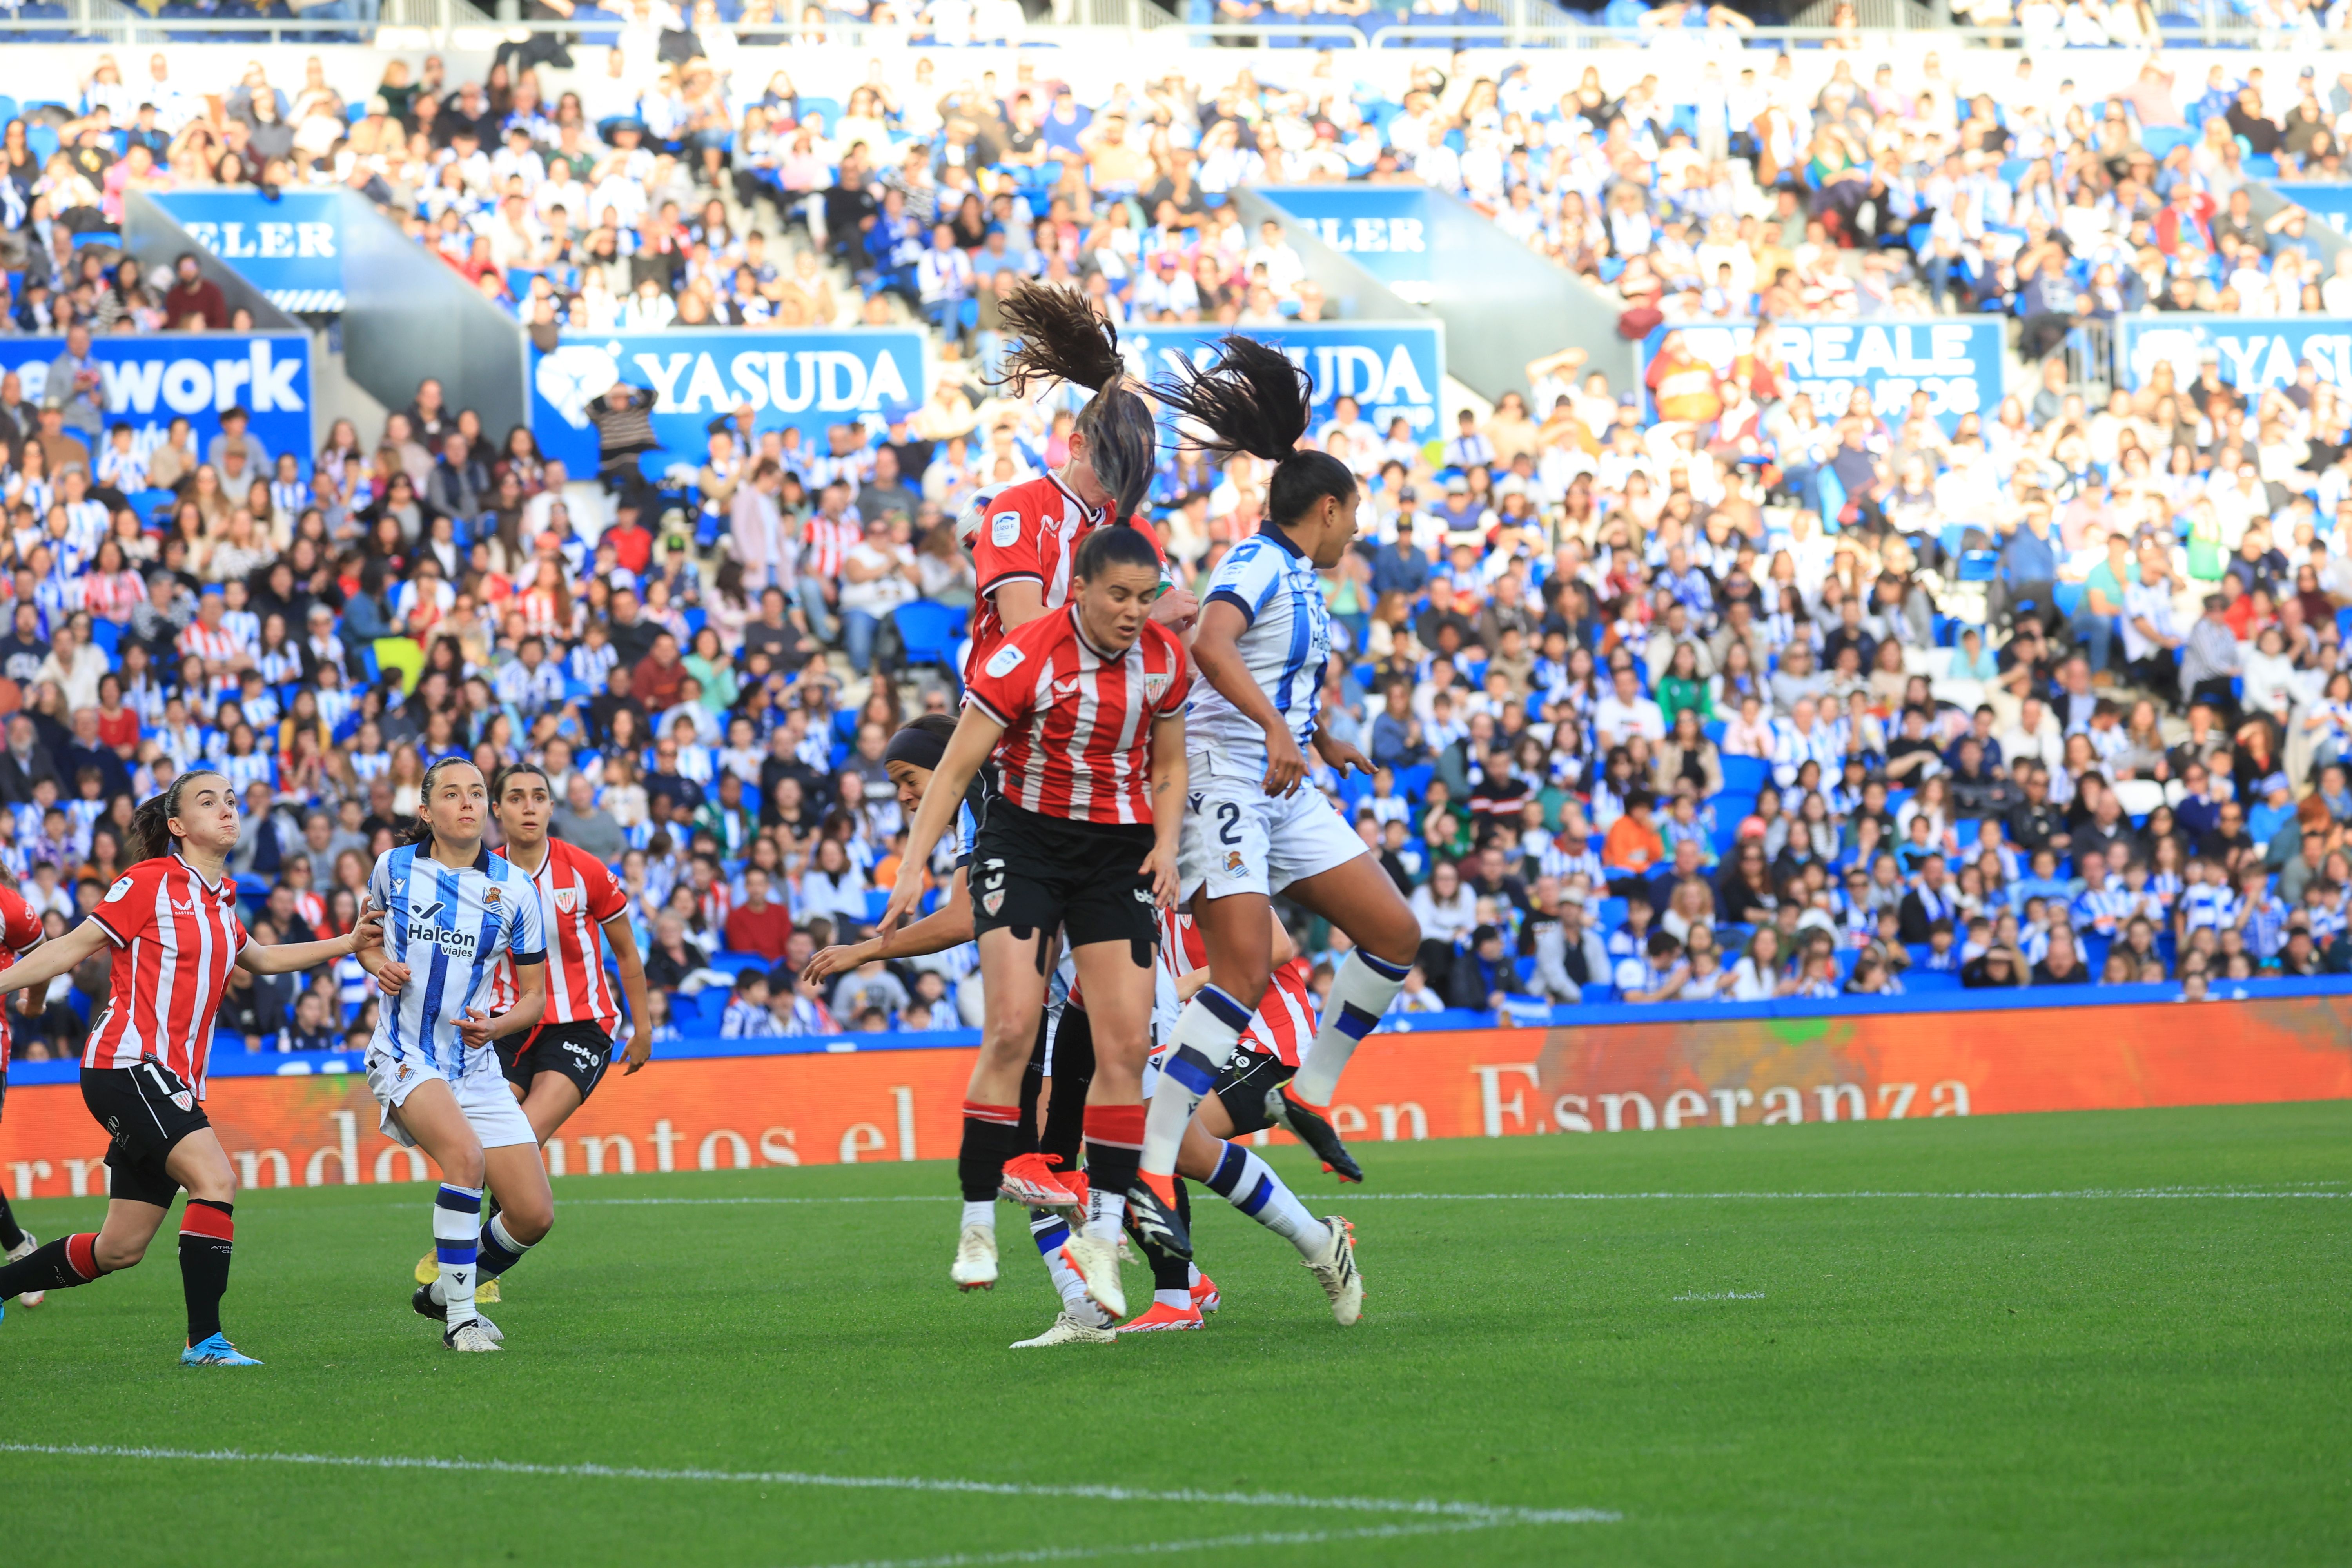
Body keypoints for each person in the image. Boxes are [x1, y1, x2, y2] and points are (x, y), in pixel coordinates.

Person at [880, 524, 1189, 1324]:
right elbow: (953, 769)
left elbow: (1170, 763)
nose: (1132, 611)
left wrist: (1164, 845)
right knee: (1014, 1026)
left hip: (1116, 852)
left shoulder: (1163, 659)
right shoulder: (1022, 659)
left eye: (1145, 597)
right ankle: (977, 1224)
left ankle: (1105, 1235)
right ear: (1079, 589)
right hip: (1025, 846)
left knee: (1123, 1046)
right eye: (1117, 595)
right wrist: (914, 864)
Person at [1145, 335, 1424, 1220]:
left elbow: (1271, 673)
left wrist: (1322, 735)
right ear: (1330, 507)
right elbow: (1209, 644)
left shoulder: (1300, 574)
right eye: (1357, 512)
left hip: (1284, 779)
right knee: (1241, 974)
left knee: (1395, 931)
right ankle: (1157, 1142)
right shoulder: (1257, 562)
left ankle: (1311, 1090)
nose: (1359, 528)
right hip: (1227, 779)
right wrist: (1275, 728)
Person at [0, 771, 381, 1359]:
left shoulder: (222, 901)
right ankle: (205, 1341)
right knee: (217, 1180)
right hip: (127, 1063)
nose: (227, 809)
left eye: (231, 801)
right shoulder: (149, 881)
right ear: (177, 827)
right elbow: (71, 946)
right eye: (209, 802)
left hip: (167, 1080)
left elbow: (260, 958)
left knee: (120, 1248)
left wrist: (346, 944)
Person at [381, 763, 653, 1301]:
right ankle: (469, 1261)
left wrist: (642, 1027)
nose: (529, 807)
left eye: (540, 797)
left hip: (580, 1024)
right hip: (504, 1027)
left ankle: (475, 1271)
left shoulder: (586, 872)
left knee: (523, 1133)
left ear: (553, 808)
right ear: (497, 811)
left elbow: (625, 949)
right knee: (486, 1145)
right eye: (516, 798)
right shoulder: (481, 874)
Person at [355, 759, 551, 1354]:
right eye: (450, 794)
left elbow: (535, 998)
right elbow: (364, 941)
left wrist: (495, 1026)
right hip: (405, 1053)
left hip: (477, 1065)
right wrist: (376, 966)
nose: (466, 803)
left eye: (475, 793)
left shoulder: (516, 889)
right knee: (464, 1158)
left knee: (533, 1215)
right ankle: (462, 1319)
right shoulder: (393, 869)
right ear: (426, 811)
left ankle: (444, 1292)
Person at [950, 282, 1197, 690]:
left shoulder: (1136, 529)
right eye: (1113, 460)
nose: (1121, 478)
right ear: (1077, 445)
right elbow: (1023, 627)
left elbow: (1181, 635)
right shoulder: (1016, 509)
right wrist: (1142, 616)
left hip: (1101, 722)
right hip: (1012, 723)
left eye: (1132, 466)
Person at [0, 874, 51, 1304]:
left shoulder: (9, 907)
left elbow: (44, 952)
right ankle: (18, 1245)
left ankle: (20, 1249)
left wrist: (34, 1003)